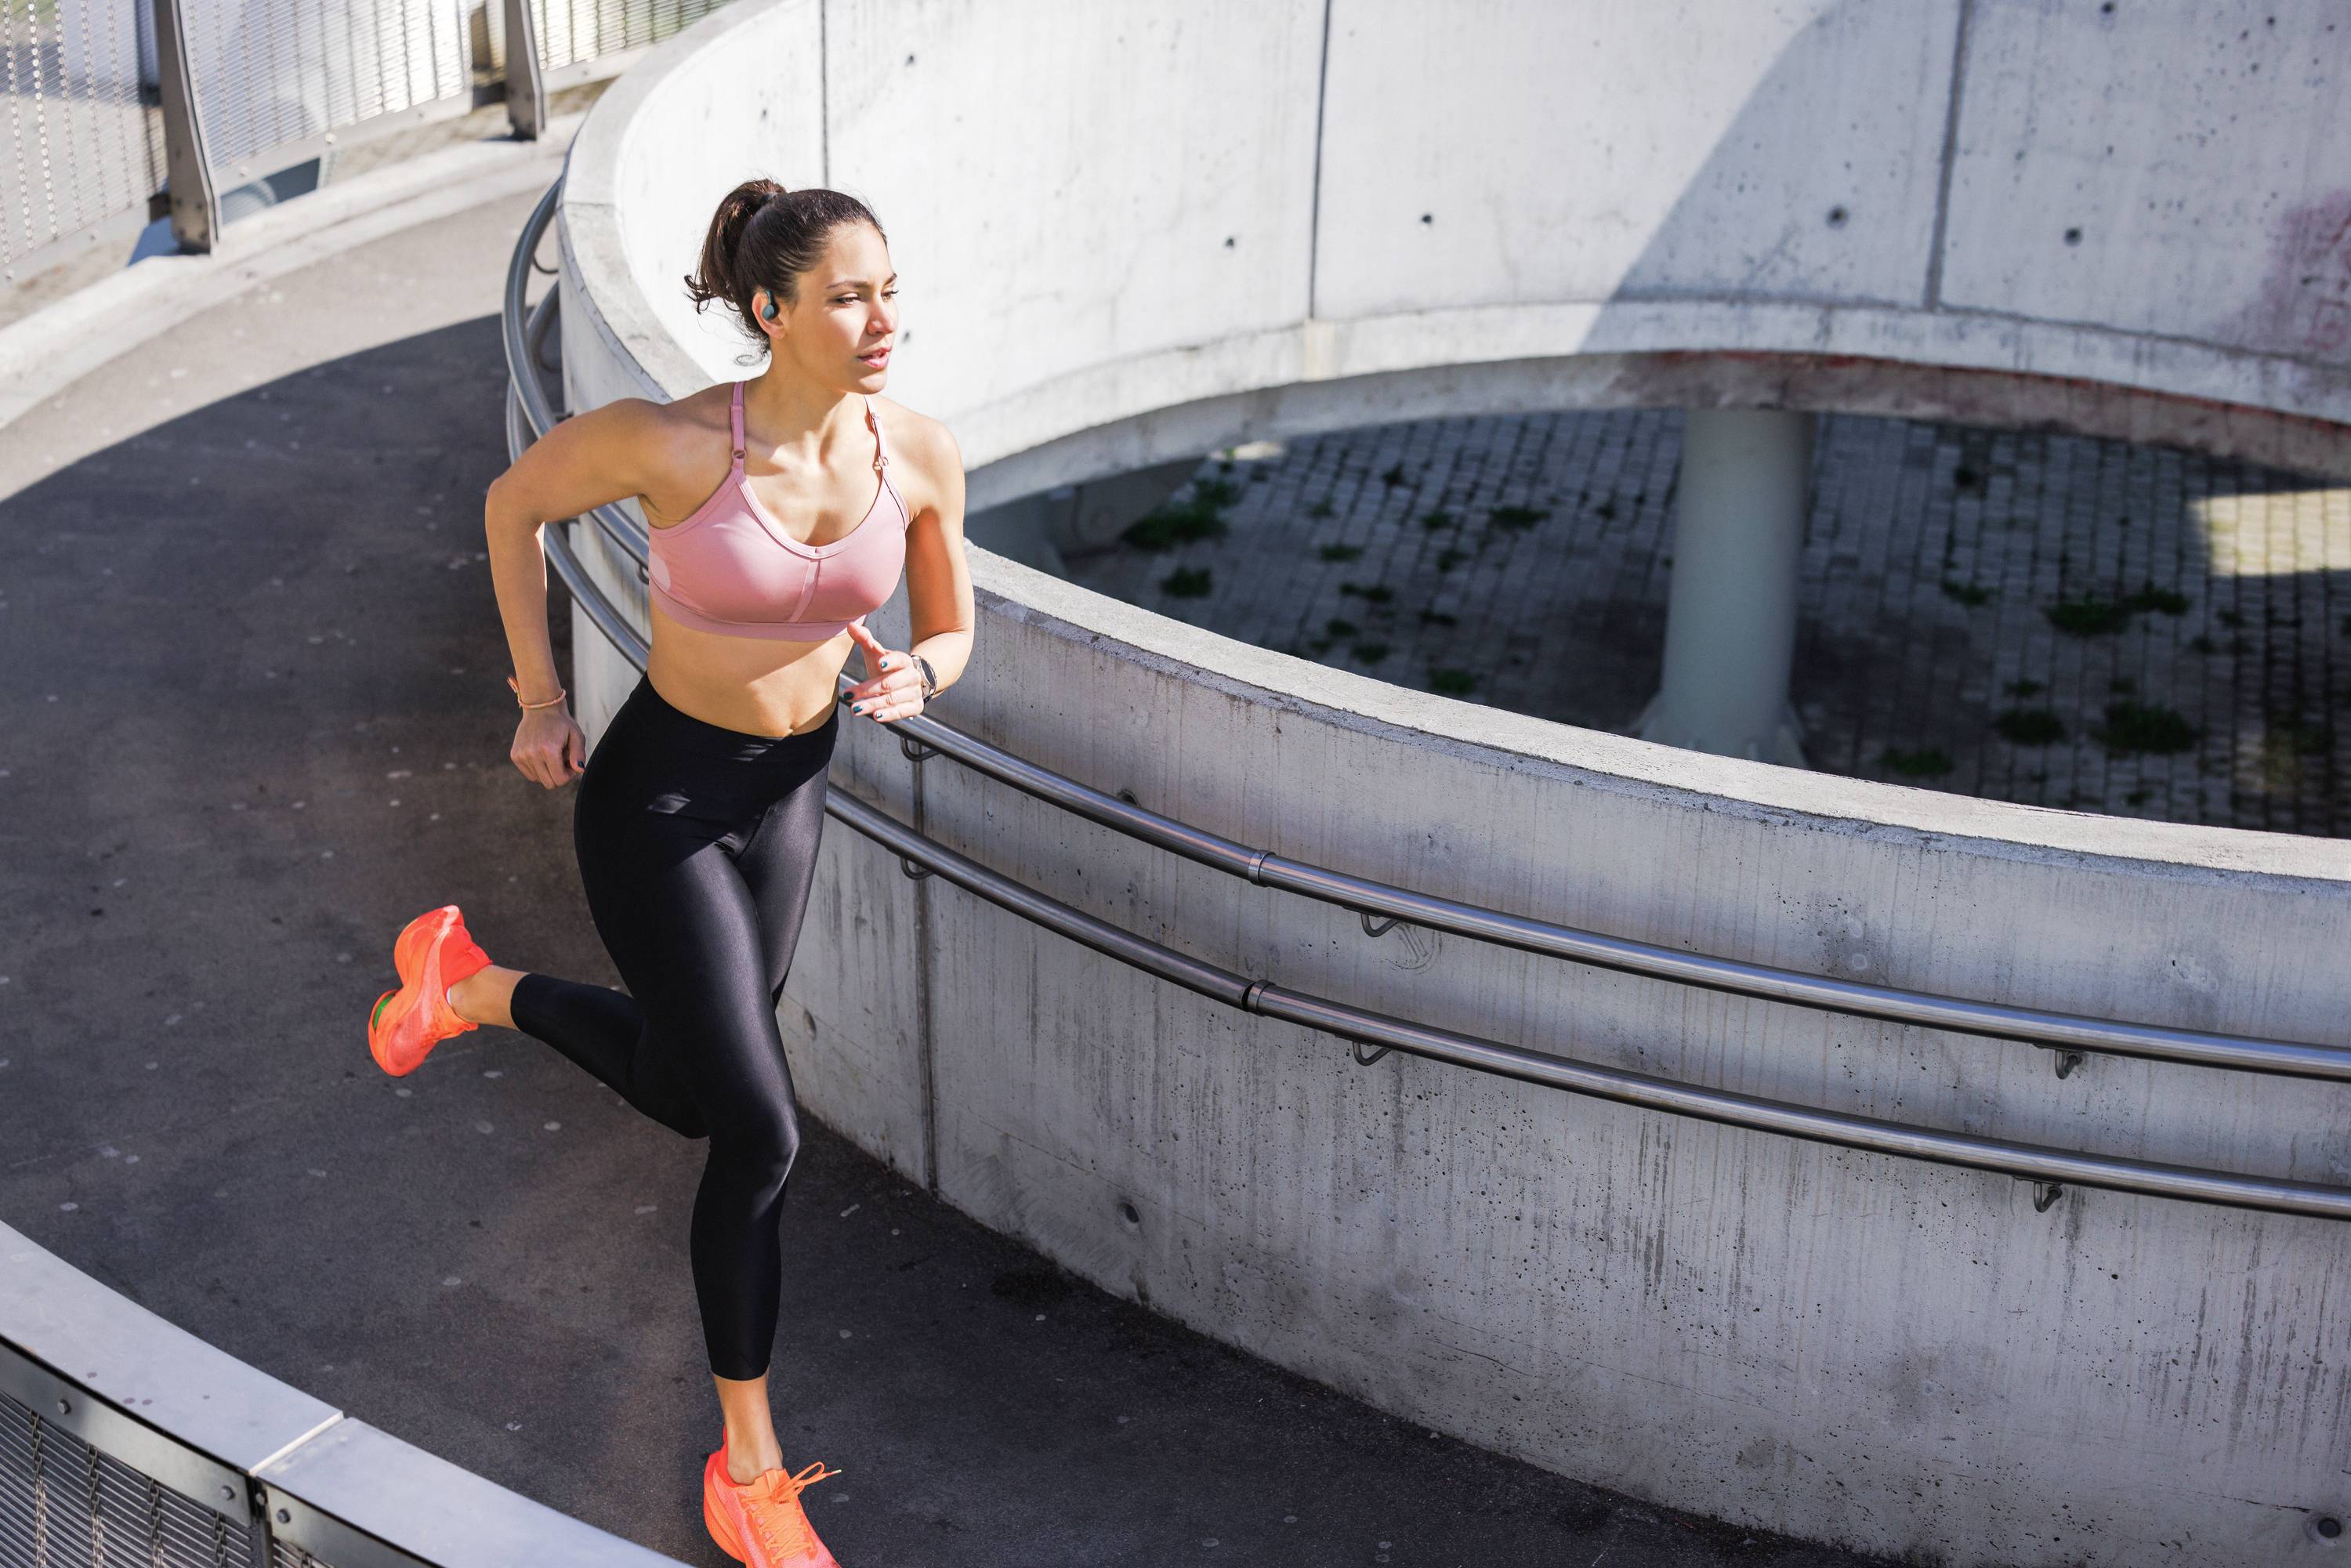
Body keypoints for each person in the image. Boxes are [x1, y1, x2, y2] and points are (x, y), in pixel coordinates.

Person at [362, 178, 973, 1568]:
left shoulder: (919, 452)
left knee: (691, 1089)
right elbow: (511, 507)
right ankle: (748, 1471)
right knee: (760, 1132)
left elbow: (952, 624)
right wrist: (533, 694)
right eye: (846, 295)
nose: (882, 319)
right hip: (662, 799)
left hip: (793, 794)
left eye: (887, 288)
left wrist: (921, 673)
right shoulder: (677, 443)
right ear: (772, 310)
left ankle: (465, 982)